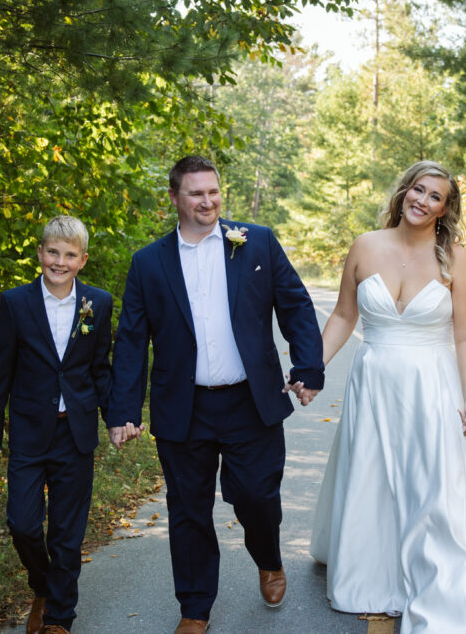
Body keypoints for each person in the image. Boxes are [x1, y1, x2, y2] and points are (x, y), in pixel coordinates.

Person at [107, 155, 325, 634]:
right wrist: (123, 410)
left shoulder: (256, 242)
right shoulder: (148, 263)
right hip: (183, 407)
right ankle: (195, 607)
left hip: (251, 400)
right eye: (196, 194)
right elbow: (130, 340)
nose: (208, 201)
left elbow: (295, 305)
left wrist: (307, 367)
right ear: (174, 199)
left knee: (256, 496)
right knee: (187, 510)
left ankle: (268, 557)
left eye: (213, 191)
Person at [309, 160, 466, 634]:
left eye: (435, 196)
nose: (423, 200)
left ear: (445, 208)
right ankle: (371, 578)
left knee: (432, 484)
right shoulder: (365, 246)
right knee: (372, 473)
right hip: (373, 383)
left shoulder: (456, 258)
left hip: (432, 384)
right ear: (403, 193)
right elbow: (342, 316)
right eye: (418, 189)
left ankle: (439, 588)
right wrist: (310, 367)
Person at [0, 216, 117, 634]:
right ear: (40, 253)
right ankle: (42, 585)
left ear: (82, 260)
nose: (60, 261)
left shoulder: (98, 303)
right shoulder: (16, 302)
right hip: (29, 430)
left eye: (69, 255)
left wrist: (115, 418)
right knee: (21, 522)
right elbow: (0, 373)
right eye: (53, 252)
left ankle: (59, 617)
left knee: (67, 533)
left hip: (75, 431)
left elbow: (100, 368)